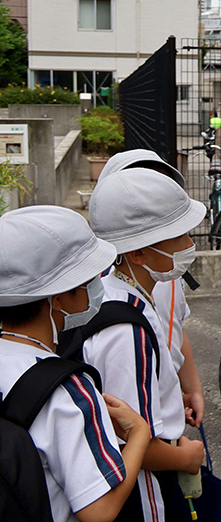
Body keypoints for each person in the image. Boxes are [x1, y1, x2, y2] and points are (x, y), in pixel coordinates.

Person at [0, 205, 151, 522]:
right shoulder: (68, 390)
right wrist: (139, 433)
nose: (97, 286)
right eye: (89, 279)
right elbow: (99, 511)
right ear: (57, 299)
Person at [88, 168, 207, 520]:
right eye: (179, 236)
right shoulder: (128, 329)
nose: (189, 245)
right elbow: (131, 441)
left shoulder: (117, 293)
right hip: (144, 489)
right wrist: (186, 458)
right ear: (138, 254)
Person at [99, 149, 205, 428]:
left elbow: (175, 330)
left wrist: (189, 387)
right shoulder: (112, 305)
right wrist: (181, 458)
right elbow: (130, 432)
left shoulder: (163, 272)